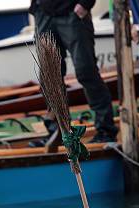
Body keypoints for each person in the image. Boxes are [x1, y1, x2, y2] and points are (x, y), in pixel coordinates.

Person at [30, 0, 119, 143]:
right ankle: (58, 132)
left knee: (86, 71)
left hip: (73, 13)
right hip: (44, 13)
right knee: (49, 77)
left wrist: (85, 3)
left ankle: (105, 130)